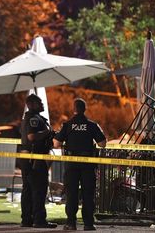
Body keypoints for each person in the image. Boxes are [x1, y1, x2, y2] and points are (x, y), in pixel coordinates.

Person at [54, 98, 106, 231]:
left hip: (72, 163)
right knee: (88, 193)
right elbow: (102, 143)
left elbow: (56, 144)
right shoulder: (91, 125)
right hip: (88, 163)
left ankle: (71, 223)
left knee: (71, 194)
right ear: (85, 109)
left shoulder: (67, 125)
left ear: (74, 109)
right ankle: (88, 224)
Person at [19, 94, 57, 228]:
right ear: (32, 104)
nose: (42, 104)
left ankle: (26, 219)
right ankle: (39, 220)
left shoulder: (29, 118)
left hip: (28, 158)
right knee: (39, 189)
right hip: (35, 158)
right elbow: (31, 136)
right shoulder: (33, 119)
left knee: (28, 189)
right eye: (39, 102)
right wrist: (47, 132)